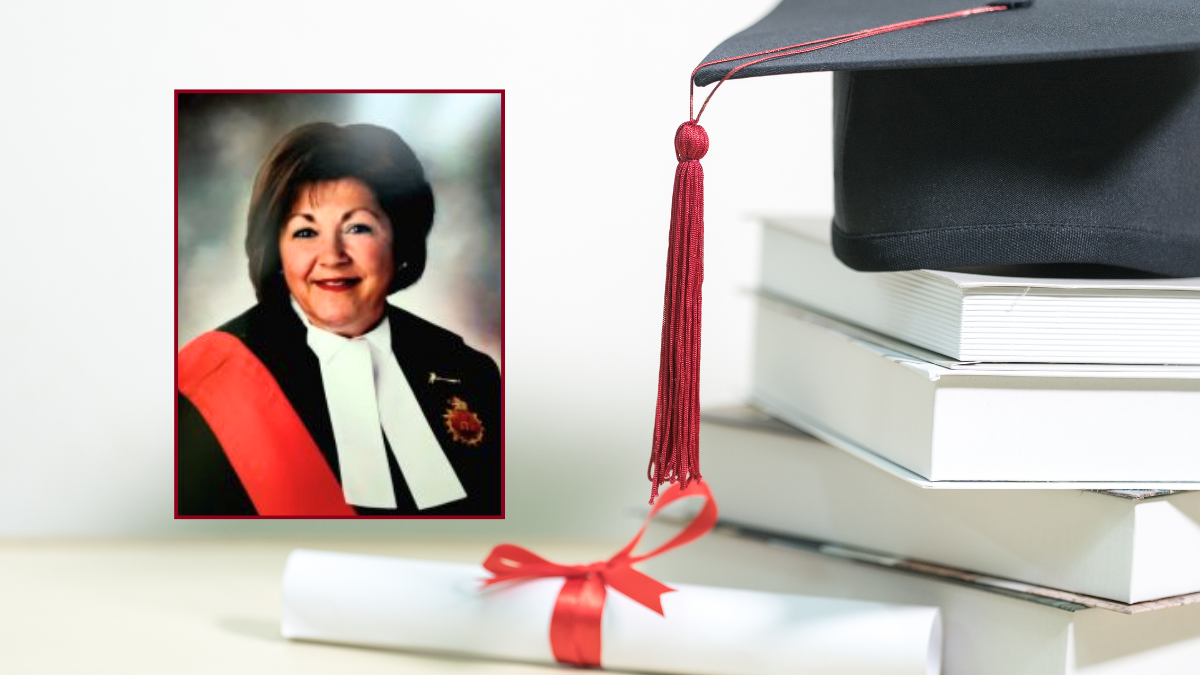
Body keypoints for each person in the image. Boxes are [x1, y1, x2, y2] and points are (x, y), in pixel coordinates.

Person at [177, 122, 501, 516]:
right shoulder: (205, 383)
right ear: (276, 250)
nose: (332, 255)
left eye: (357, 227)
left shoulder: (470, 373)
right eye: (304, 232)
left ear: (400, 240)